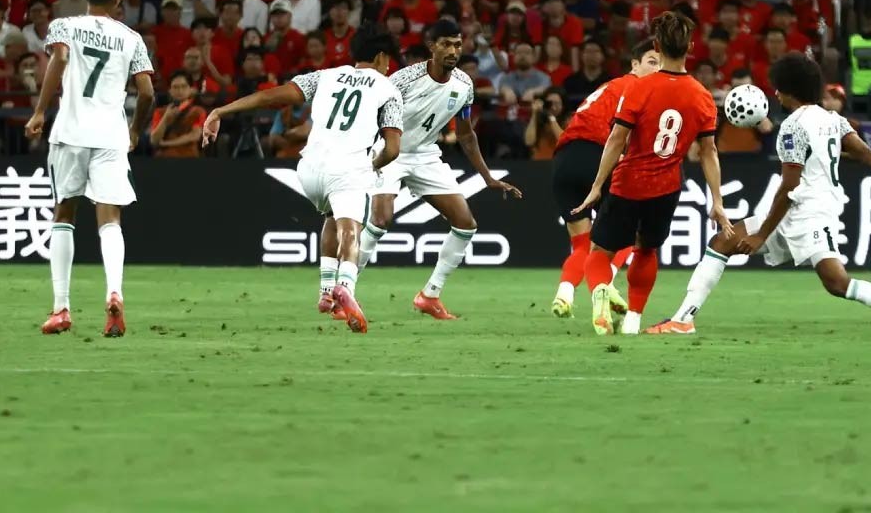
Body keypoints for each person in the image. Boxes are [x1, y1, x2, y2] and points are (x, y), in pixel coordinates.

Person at [649, 52, 871, 337]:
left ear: (789, 91)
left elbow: (789, 186)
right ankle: (683, 319)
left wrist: (761, 234)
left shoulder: (793, 127)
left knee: (837, 283)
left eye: (778, 88)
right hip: (797, 211)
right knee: (722, 243)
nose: (776, 94)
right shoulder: (832, 119)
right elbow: (867, 154)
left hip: (811, 215)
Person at [203, 27, 404, 333]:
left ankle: (326, 292)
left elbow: (270, 97)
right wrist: (372, 166)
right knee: (351, 228)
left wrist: (221, 110)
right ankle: (345, 288)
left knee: (331, 215)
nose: (389, 67)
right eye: (389, 60)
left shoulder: (324, 76)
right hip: (346, 169)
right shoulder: (389, 90)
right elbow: (392, 149)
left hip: (309, 169)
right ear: (380, 57)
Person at [572, 11, 730, 336]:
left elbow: (617, 138)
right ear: (691, 46)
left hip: (628, 184)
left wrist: (597, 185)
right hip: (666, 188)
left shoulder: (640, 88)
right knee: (646, 250)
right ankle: (633, 320)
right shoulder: (702, 96)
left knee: (600, 252)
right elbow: (709, 152)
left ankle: (601, 291)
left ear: (657, 46)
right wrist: (717, 200)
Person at [354, 19, 523, 319]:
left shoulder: (464, 85)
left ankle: (430, 295)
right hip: (389, 148)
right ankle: (344, 290)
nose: (453, 51)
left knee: (465, 224)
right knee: (380, 220)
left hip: (425, 155)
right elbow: (369, 114)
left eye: (457, 45)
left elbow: (466, 134)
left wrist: (487, 178)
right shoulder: (404, 79)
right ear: (432, 47)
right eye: (446, 44)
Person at [26, 0, 156, 338]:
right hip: (111, 136)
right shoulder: (131, 38)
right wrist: (135, 130)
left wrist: (39, 111)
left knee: (64, 212)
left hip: (70, 132)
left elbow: (60, 60)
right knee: (110, 218)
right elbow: (147, 92)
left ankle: (61, 308)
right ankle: (114, 293)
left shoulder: (64, 26)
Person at [548, 38, 661, 318]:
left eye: (661, 63)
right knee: (626, 234)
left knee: (581, 243)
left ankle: (564, 294)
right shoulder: (638, 89)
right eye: (652, 62)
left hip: (563, 162)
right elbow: (626, 135)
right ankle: (604, 286)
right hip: (596, 156)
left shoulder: (607, 87)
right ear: (634, 64)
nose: (658, 69)